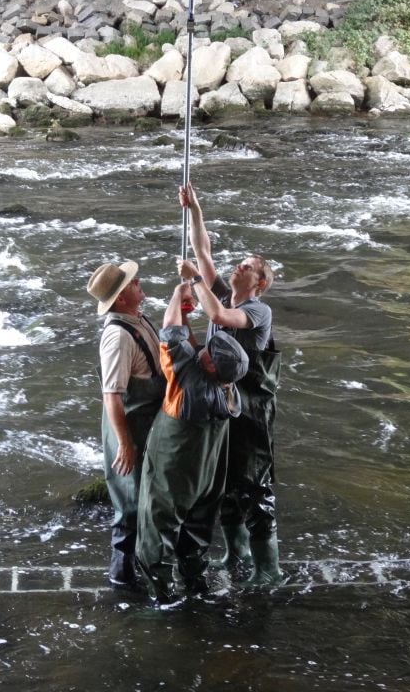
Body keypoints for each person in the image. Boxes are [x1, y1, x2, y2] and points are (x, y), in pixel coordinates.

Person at [177, 182, 282, 585]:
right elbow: (202, 253)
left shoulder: (257, 310)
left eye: (249, 267)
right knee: (222, 483)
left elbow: (219, 317)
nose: (239, 266)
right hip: (221, 402)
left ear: (259, 282)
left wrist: (195, 282)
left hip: (252, 410)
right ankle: (235, 554)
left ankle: (267, 569)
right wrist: (196, 208)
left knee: (253, 482)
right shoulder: (224, 294)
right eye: (240, 262)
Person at [136, 281, 248, 607]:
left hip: (175, 464)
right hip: (208, 473)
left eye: (210, 352)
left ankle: (163, 597)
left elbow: (170, 334)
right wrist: (187, 313)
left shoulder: (188, 385)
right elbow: (191, 349)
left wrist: (177, 294)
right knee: (197, 528)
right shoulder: (229, 389)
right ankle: (196, 584)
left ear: (210, 365)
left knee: (157, 528)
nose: (204, 349)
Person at [87, 260, 165, 588]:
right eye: (133, 283)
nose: (139, 284)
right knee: (129, 503)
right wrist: (125, 444)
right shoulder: (117, 336)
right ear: (120, 298)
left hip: (147, 420)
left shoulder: (137, 317)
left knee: (146, 497)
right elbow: (112, 396)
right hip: (129, 424)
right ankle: (122, 580)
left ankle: (142, 566)